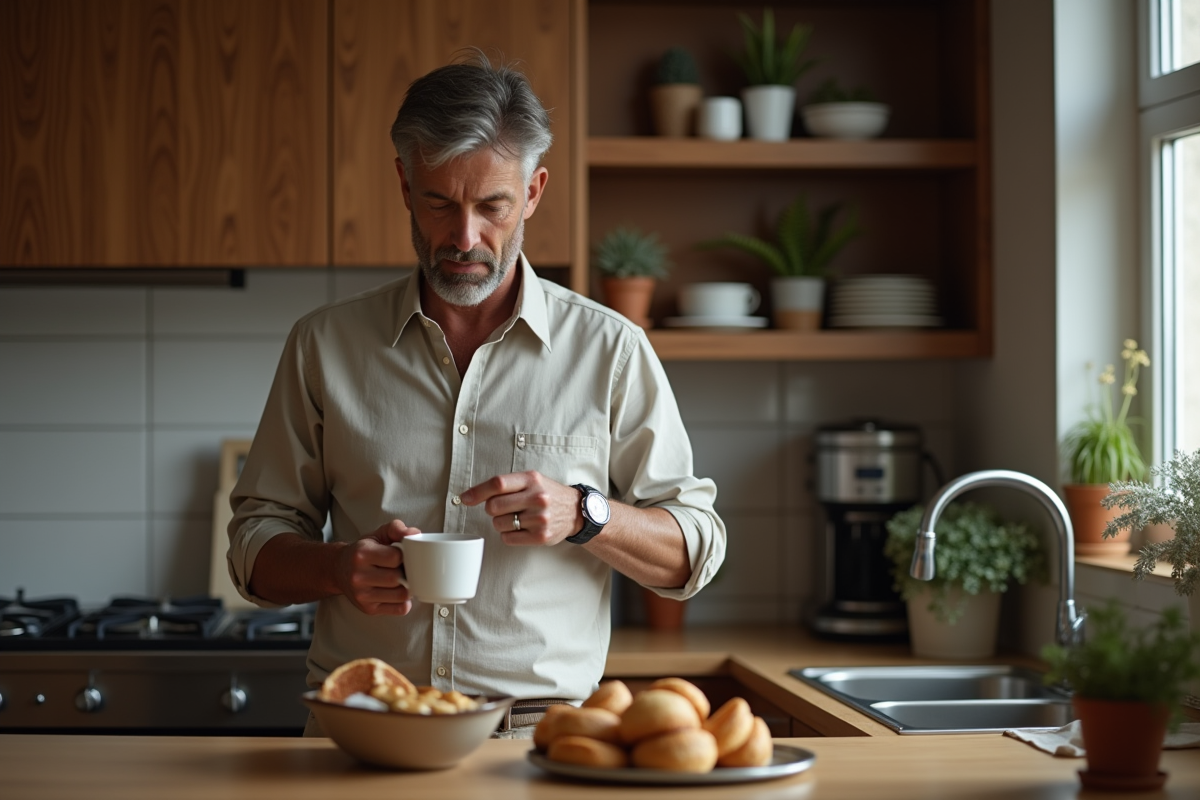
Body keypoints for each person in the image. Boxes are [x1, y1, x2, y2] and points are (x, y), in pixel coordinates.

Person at [226, 51, 725, 738]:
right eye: (439, 202)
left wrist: (585, 514)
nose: (464, 238)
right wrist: (339, 568)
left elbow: (696, 549)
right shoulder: (324, 344)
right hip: (363, 732)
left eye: (493, 206)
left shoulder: (610, 349)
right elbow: (253, 546)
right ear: (404, 184)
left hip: (540, 744)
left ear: (534, 192)